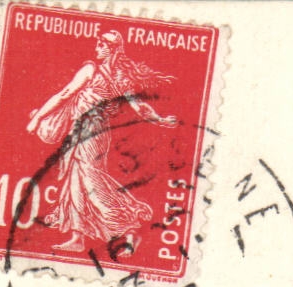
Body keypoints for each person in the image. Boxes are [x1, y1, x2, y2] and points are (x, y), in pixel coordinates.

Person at [23, 30, 179, 253]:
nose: (96, 47)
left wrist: (38, 118)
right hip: (86, 131)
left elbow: (64, 94)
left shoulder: (97, 72)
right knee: (75, 179)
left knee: (90, 179)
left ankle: (128, 226)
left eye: (100, 44)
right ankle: (77, 238)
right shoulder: (117, 77)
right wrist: (160, 119)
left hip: (91, 133)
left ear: (110, 49)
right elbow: (139, 107)